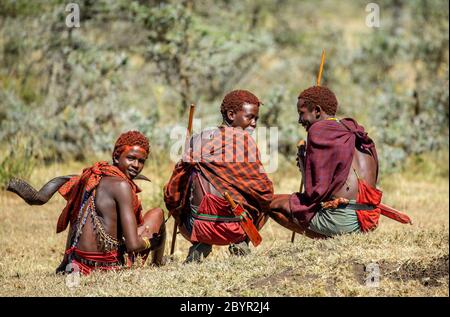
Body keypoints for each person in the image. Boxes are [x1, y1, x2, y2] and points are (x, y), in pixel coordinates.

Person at [8, 130, 166, 274]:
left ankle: (66, 261)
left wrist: (66, 261)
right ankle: (158, 263)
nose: (136, 165)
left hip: (76, 264)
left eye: (141, 161)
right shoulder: (122, 186)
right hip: (103, 267)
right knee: (157, 213)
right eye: (131, 158)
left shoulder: (90, 177)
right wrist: (150, 242)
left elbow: (74, 213)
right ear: (116, 157)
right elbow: (132, 244)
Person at [269, 85, 410, 238]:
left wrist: (304, 163)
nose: (299, 120)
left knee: (270, 203)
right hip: (369, 218)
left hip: (345, 220)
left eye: (301, 113)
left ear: (316, 110)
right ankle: (332, 237)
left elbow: (314, 193)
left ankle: (329, 238)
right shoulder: (351, 129)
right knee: (286, 201)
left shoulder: (319, 131)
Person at [164, 90, 274, 262]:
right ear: (231, 115)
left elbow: (174, 192)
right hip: (236, 226)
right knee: (268, 200)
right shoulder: (245, 142)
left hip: (196, 225)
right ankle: (241, 241)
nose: (253, 123)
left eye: (256, 119)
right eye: (250, 117)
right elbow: (264, 192)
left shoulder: (197, 139)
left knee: (183, 196)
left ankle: (200, 244)